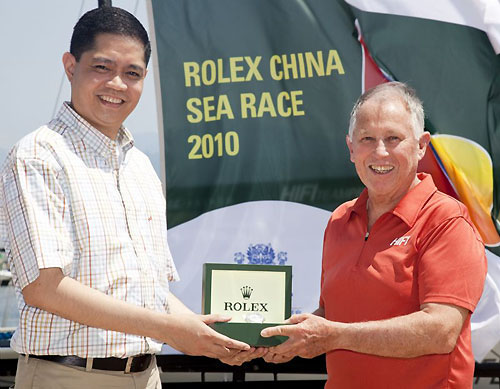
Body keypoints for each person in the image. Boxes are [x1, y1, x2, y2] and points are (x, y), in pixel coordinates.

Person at [0, 7, 263, 389]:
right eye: (102, 68)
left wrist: (203, 333)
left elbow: (150, 291)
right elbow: (43, 287)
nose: (118, 84)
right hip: (66, 376)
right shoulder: (39, 156)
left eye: (133, 73)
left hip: (147, 376)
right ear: (71, 66)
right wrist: (172, 330)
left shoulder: (140, 167)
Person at [261, 82, 487, 388]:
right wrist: (289, 336)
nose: (380, 152)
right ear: (351, 149)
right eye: (367, 139)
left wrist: (333, 335)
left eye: (393, 138)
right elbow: (334, 313)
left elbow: (441, 331)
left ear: (421, 145)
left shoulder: (446, 221)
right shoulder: (340, 220)